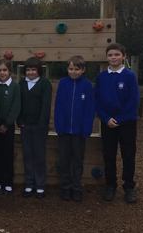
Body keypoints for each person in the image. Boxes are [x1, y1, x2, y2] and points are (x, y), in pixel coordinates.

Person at [94, 43, 140, 203]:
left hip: (126, 122)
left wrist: (119, 119)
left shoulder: (129, 76)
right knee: (109, 155)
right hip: (108, 123)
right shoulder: (101, 77)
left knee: (128, 155)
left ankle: (129, 187)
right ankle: (110, 185)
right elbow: (97, 100)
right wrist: (105, 118)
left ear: (124, 56)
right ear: (107, 58)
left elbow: (134, 100)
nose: (113, 57)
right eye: (110, 55)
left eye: (116, 55)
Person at [54, 56, 95, 202]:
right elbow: (58, 105)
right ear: (67, 69)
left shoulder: (87, 85)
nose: (73, 72)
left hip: (79, 131)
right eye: (71, 69)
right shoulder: (63, 83)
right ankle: (65, 187)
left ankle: (76, 187)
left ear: (83, 70)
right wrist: (58, 125)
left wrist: (86, 128)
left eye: (76, 69)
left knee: (78, 160)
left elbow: (90, 108)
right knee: (64, 160)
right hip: (64, 130)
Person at [17, 57, 52, 199]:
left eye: (33, 70)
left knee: (39, 156)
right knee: (27, 155)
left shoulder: (44, 84)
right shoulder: (21, 84)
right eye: (28, 70)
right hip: (25, 126)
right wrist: (20, 121)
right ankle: (29, 184)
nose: (31, 72)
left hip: (39, 127)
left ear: (39, 70)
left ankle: (40, 186)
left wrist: (41, 124)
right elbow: (18, 103)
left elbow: (46, 106)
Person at [0, 59, 21, 196]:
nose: (2, 73)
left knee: (8, 153)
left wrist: (6, 124)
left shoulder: (15, 87)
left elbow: (15, 107)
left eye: (4, 70)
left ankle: (8, 181)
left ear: (10, 71)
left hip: (7, 126)